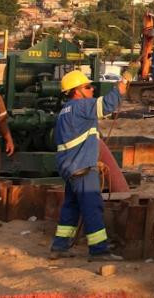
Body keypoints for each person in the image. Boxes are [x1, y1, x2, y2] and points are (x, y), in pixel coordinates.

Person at [49, 70, 126, 261]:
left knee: (72, 206)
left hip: (71, 167)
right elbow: (107, 105)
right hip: (81, 167)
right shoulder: (80, 106)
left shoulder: (65, 111)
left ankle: (59, 246)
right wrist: (122, 87)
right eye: (88, 87)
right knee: (92, 206)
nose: (92, 89)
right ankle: (99, 250)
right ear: (77, 91)